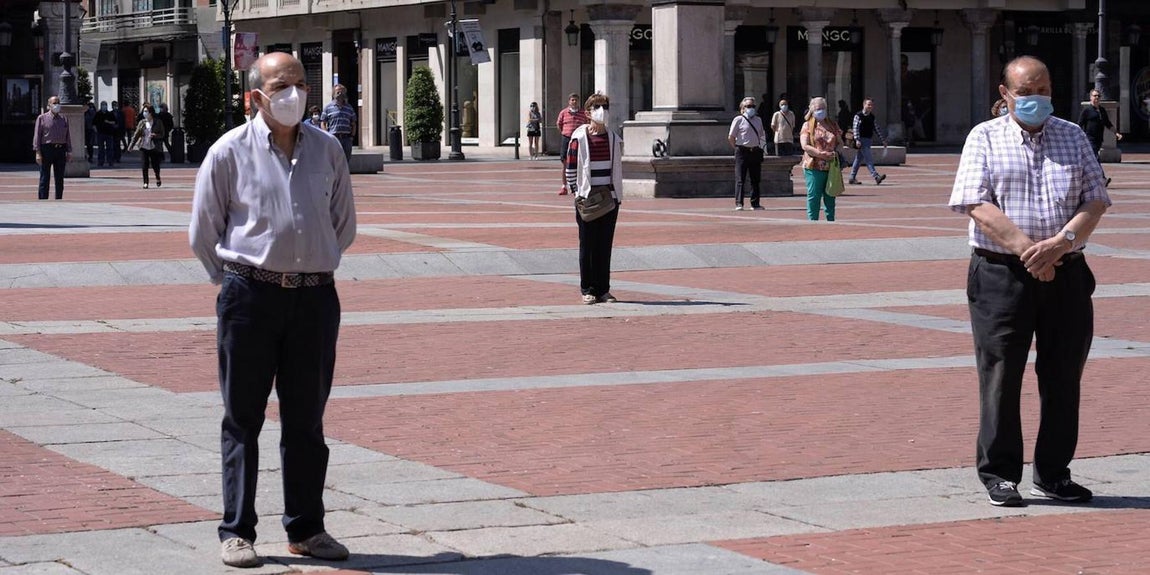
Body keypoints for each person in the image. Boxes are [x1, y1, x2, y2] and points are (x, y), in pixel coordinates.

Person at [189, 51, 356, 568]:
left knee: (307, 419)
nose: (294, 94)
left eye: (301, 84)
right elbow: (203, 231)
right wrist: (237, 281)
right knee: (242, 418)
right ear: (255, 96)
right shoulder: (228, 152)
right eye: (282, 85)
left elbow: (343, 224)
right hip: (250, 297)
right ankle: (237, 530)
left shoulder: (327, 150)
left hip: (314, 297)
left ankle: (307, 528)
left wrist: (309, 265)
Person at [949, 56, 1110, 508]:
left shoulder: (1073, 135)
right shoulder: (984, 137)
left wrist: (1061, 243)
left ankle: (1054, 473)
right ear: (1005, 94)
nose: (1035, 98)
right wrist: (1029, 250)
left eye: (1042, 89)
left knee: (1063, 374)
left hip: (1067, 272)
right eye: (1025, 91)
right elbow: (974, 202)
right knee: (1001, 373)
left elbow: (1095, 200)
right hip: (1001, 273)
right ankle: (1000, 474)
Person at [564, 92, 622, 305]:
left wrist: (617, 196)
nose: (602, 111)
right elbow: (571, 167)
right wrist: (576, 193)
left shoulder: (613, 137)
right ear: (587, 113)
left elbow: (616, 168)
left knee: (604, 245)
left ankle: (603, 289)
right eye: (597, 107)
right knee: (587, 244)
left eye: (605, 107)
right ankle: (587, 288)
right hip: (587, 197)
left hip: (609, 197)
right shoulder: (579, 138)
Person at [799, 97, 843, 221]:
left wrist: (835, 152)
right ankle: (813, 221)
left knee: (830, 194)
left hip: (830, 165)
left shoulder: (832, 125)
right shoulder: (808, 125)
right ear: (812, 110)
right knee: (814, 195)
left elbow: (840, 142)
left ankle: (831, 220)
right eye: (818, 109)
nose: (821, 111)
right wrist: (820, 154)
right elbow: (805, 145)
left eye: (823, 108)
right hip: (813, 165)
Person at [728, 96, 767, 211]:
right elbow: (731, 137)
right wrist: (736, 147)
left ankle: (755, 203)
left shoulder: (758, 120)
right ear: (743, 108)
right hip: (742, 151)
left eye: (753, 106)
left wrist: (762, 149)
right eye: (748, 106)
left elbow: (761, 135)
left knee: (755, 179)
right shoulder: (738, 120)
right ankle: (739, 203)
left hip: (755, 151)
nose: (751, 108)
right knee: (740, 178)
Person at [1077, 89, 1122, 187]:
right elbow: (1080, 124)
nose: (1096, 98)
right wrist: (1078, 137)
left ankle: (1084, 179)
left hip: (1098, 139)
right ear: (1090, 97)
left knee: (1090, 160)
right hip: (1089, 138)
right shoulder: (1087, 110)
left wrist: (1116, 133)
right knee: (1095, 158)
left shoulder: (1102, 110)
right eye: (1094, 96)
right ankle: (1102, 179)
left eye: (1098, 96)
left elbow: (1108, 123)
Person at [32, 96, 72, 200]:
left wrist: (69, 151)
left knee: (60, 177)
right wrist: (38, 152)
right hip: (47, 149)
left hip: (60, 149)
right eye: (54, 103)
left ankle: (59, 198)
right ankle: (43, 199)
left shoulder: (64, 119)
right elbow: (37, 136)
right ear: (49, 105)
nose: (57, 105)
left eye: (58, 103)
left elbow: (68, 136)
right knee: (45, 176)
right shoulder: (42, 118)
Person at [848, 98, 888, 186]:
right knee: (869, 159)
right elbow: (855, 128)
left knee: (858, 159)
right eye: (868, 104)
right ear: (864, 105)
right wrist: (857, 139)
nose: (870, 106)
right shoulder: (858, 115)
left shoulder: (872, 117)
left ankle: (852, 177)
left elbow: (876, 129)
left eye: (871, 105)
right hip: (861, 140)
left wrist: (883, 140)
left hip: (868, 140)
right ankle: (876, 176)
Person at [555, 93, 588, 195]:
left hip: (578, 140)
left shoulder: (583, 113)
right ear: (569, 101)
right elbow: (559, 124)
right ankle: (564, 186)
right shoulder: (564, 112)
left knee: (579, 162)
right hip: (566, 138)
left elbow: (587, 124)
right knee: (565, 163)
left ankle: (577, 186)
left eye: (576, 100)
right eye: (572, 100)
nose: (574, 102)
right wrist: (565, 133)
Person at [128, 103, 167, 189]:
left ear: (151, 113)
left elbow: (163, 134)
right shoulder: (142, 122)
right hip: (144, 146)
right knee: (144, 165)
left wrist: (155, 135)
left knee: (155, 165)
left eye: (146, 111)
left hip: (154, 147)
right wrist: (131, 145)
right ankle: (145, 182)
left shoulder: (158, 122)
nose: (144, 113)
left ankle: (157, 177)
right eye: (144, 111)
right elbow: (136, 134)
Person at [320, 84, 357, 163]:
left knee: (345, 161)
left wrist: (351, 137)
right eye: (338, 91)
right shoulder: (328, 107)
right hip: (334, 137)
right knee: (333, 161)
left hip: (346, 138)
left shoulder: (349, 108)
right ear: (333, 93)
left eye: (342, 92)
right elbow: (323, 123)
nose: (340, 93)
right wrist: (327, 135)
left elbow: (353, 123)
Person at [94, 101, 118, 167]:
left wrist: (108, 122)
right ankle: (100, 161)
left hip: (109, 133)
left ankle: (110, 161)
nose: (104, 106)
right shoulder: (98, 114)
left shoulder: (110, 114)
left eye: (105, 105)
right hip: (100, 134)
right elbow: (94, 124)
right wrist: (96, 131)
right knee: (101, 149)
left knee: (110, 148)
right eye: (102, 105)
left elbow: (115, 122)